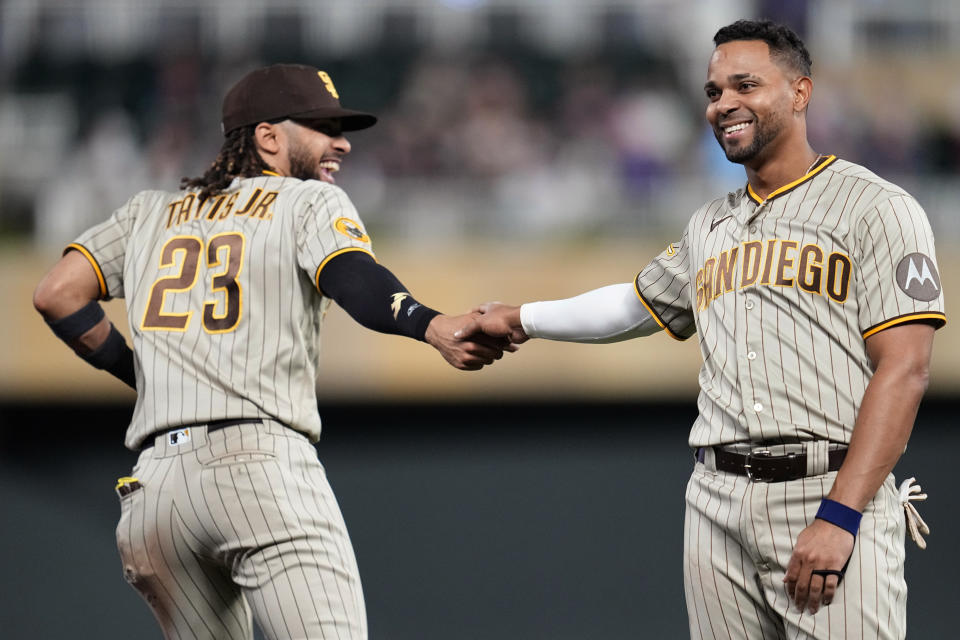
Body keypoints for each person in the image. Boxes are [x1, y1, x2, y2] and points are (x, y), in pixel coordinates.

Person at [462, 19, 945, 639]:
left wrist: (841, 515)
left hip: (827, 487)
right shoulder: (707, 226)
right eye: (714, 92)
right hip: (716, 503)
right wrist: (523, 317)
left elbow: (905, 369)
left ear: (800, 93)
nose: (725, 105)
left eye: (746, 85)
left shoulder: (877, 207)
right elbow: (633, 306)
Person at [32, 63, 508, 640]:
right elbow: (354, 279)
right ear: (268, 136)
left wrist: (142, 375)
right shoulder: (307, 202)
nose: (342, 142)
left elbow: (57, 294)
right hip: (255, 467)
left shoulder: (148, 212)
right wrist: (429, 325)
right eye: (322, 126)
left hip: (154, 493)